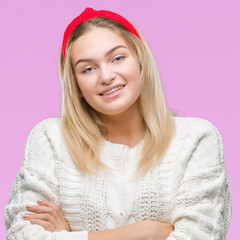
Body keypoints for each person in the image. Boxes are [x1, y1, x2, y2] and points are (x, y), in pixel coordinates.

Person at [4, 7, 231, 240]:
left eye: (118, 58)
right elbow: (22, 234)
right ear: (77, 86)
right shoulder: (50, 139)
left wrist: (69, 235)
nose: (105, 76)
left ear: (141, 61)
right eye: (88, 69)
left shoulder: (196, 138)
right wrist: (147, 232)